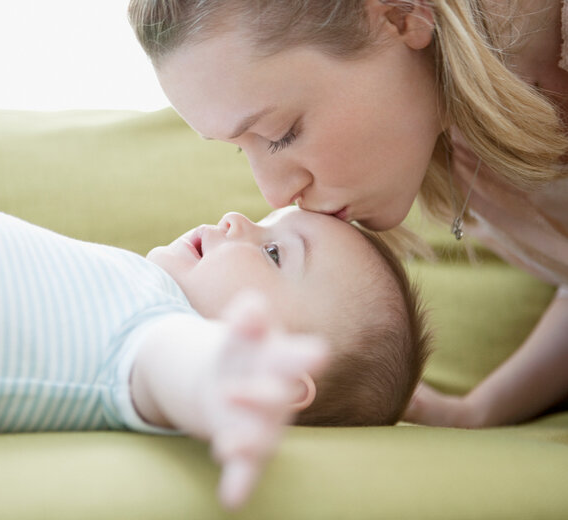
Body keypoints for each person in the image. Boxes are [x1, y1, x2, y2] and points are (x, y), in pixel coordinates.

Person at [128, 0, 568, 429]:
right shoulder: (454, 140)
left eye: (281, 134)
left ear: (402, 15)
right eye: (241, 150)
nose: (275, 195)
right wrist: (477, 411)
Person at [0, 205, 428, 509]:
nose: (234, 219)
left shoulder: (160, 327)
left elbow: (172, 363)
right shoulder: (142, 288)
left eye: (273, 253)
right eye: (262, 220)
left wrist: (221, 380)